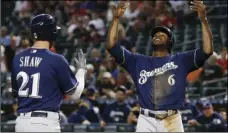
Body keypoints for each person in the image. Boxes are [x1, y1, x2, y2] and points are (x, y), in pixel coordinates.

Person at [106, 0, 213, 132]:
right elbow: (111, 46)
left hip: (172, 118)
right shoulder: (137, 60)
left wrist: (203, 19)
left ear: (170, 42)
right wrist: (116, 19)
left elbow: (207, 50)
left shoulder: (181, 59)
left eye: (162, 35)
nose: (157, 36)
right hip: (146, 119)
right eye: (155, 35)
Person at [11, 14, 87, 132]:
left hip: (21, 123)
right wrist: (81, 70)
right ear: (51, 33)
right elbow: (75, 94)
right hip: (44, 124)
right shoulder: (57, 60)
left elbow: (16, 93)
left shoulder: (17, 58)